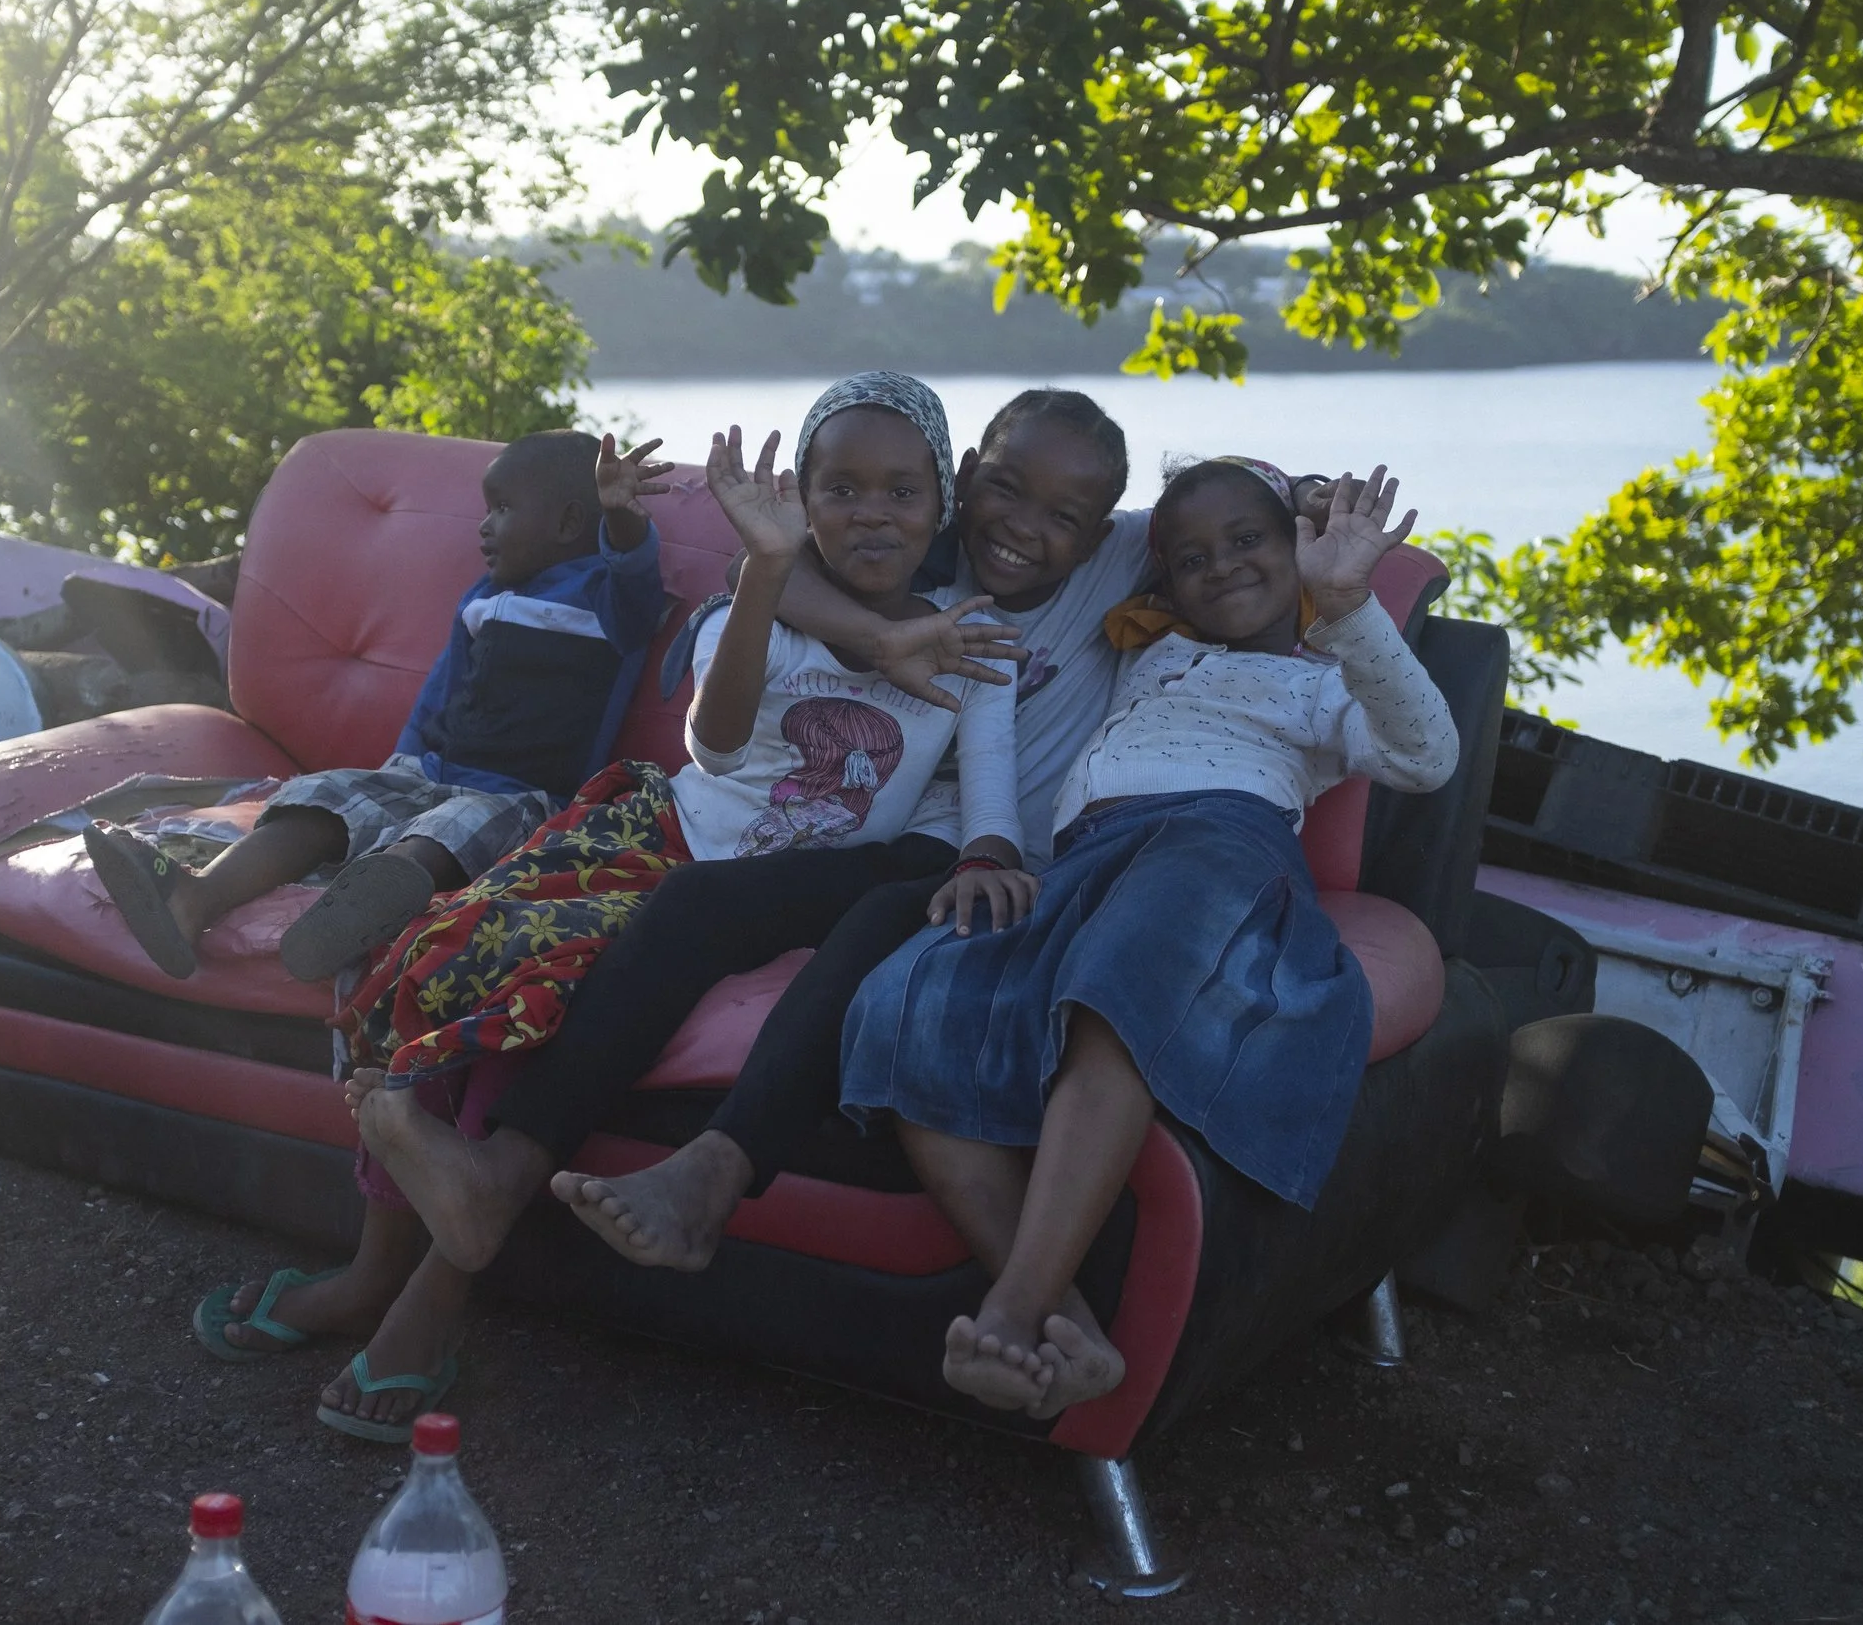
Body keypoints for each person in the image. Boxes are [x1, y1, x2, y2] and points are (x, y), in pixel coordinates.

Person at [261, 372, 1022, 1439]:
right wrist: (762, 566)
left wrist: (989, 848)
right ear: (800, 498)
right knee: (462, 950)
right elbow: (715, 741)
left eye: (902, 491)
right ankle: (374, 1264)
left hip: (774, 891)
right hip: (657, 835)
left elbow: (989, 788)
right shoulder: (745, 606)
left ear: (941, 506)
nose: (873, 513)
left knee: (539, 1004)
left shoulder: (970, 641)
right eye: (840, 488)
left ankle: (433, 1295)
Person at [839, 457, 1459, 1420]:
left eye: (1249, 543)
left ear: (1293, 552)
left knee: (1121, 986)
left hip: (1219, 847)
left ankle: (1015, 1305)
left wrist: (1343, 593)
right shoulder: (1146, 649)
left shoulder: (1322, 684)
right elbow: (1095, 524)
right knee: (913, 997)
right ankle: (1071, 1329)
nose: (1223, 568)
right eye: (1193, 557)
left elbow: (1427, 754)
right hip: (1083, 862)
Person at [547, 387, 1140, 1268]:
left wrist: (1308, 503)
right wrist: (837, 608)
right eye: (1003, 490)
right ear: (965, 480)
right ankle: (514, 1164)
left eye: (1062, 514)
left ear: (1098, 532)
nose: (1021, 525)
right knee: (699, 899)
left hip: (981, 857)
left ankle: (715, 1170)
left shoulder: (1114, 555)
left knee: (878, 918)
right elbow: (762, 594)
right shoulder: (912, 535)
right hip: (876, 836)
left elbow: (1235, 513)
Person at [85, 429, 671, 982]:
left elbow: (636, 577)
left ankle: (354, 916)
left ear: (569, 521)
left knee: (452, 830)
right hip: (428, 772)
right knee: (322, 796)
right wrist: (400, 767)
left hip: (520, 797)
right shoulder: (485, 599)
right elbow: (442, 691)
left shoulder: (604, 601)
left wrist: (619, 513)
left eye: (502, 509)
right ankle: (195, 899)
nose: (484, 527)